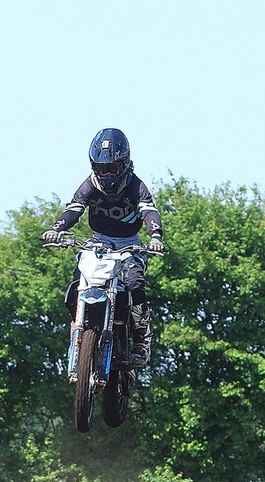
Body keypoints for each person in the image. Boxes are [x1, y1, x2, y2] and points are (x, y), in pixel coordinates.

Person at [41, 128, 165, 368]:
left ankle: (142, 341)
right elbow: (74, 208)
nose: (107, 175)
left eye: (113, 168)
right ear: (93, 166)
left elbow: (149, 210)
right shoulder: (90, 184)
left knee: (134, 282)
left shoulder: (136, 185)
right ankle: (79, 324)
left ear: (125, 165)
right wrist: (56, 229)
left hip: (129, 244)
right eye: (102, 168)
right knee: (78, 278)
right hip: (98, 241)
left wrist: (156, 236)